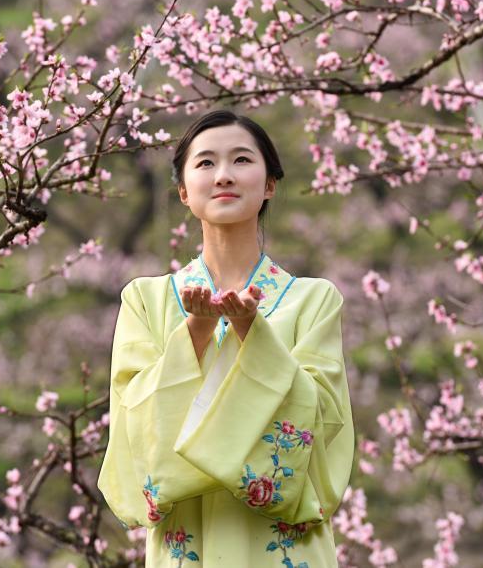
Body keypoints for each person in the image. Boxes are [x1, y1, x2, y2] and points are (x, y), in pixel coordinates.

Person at [98, 109, 354, 567]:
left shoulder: (314, 300)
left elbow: (321, 420)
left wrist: (252, 332)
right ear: (183, 191)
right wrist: (195, 331)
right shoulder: (145, 299)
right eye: (205, 163)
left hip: (283, 547)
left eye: (240, 160)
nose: (223, 176)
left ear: (270, 184)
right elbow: (132, 427)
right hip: (188, 539)